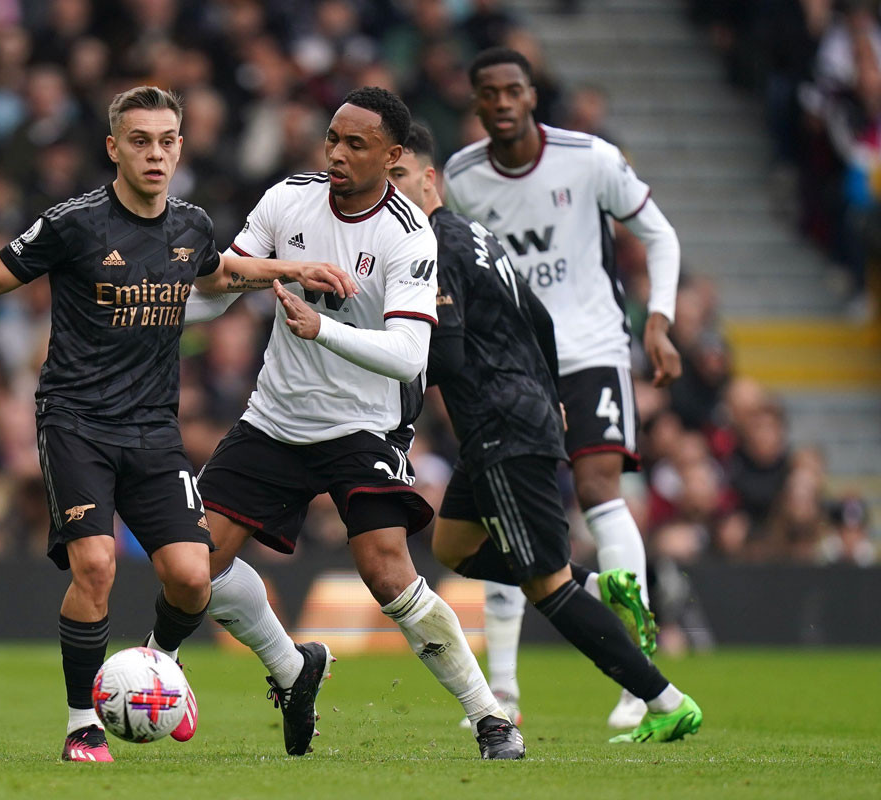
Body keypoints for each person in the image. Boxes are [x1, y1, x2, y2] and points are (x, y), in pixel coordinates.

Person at [0, 86, 355, 764]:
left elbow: (218, 274)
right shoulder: (74, 224)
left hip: (153, 431)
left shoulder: (191, 225)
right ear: (114, 148)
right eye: (141, 141)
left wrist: (293, 268)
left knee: (194, 578)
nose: (156, 153)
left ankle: (158, 672)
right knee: (97, 564)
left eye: (168, 141)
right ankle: (83, 725)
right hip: (76, 424)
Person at [185, 87, 525, 760]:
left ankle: (491, 717)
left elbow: (409, 356)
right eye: (333, 139)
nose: (337, 153)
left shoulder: (408, 234)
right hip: (278, 417)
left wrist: (322, 329)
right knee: (193, 567)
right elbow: (221, 285)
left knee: (386, 569)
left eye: (356, 144)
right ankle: (292, 666)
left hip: (364, 423)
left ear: (393, 156)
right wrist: (170, 311)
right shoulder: (289, 199)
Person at [390, 122, 702, 745]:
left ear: (431, 180)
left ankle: (663, 698)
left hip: (501, 426)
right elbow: (538, 317)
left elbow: (444, 356)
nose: (388, 191)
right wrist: (552, 393)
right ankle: (600, 582)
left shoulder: (436, 245)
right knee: (451, 545)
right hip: (517, 414)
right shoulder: (481, 236)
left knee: (546, 586)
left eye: (398, 177)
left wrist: (393, 397)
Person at [442, 47, 682, 728]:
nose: (503, 103)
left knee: (601, 489)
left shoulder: (590, 158)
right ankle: (505, 693)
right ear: (477, 102)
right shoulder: (461, 178)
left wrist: (658, 321)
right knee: (506, 511)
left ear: (531, 95)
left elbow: (658, 236)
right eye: (489, 93)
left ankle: (638, 684)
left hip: (594, 349)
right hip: (514, 367)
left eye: (514, 90)